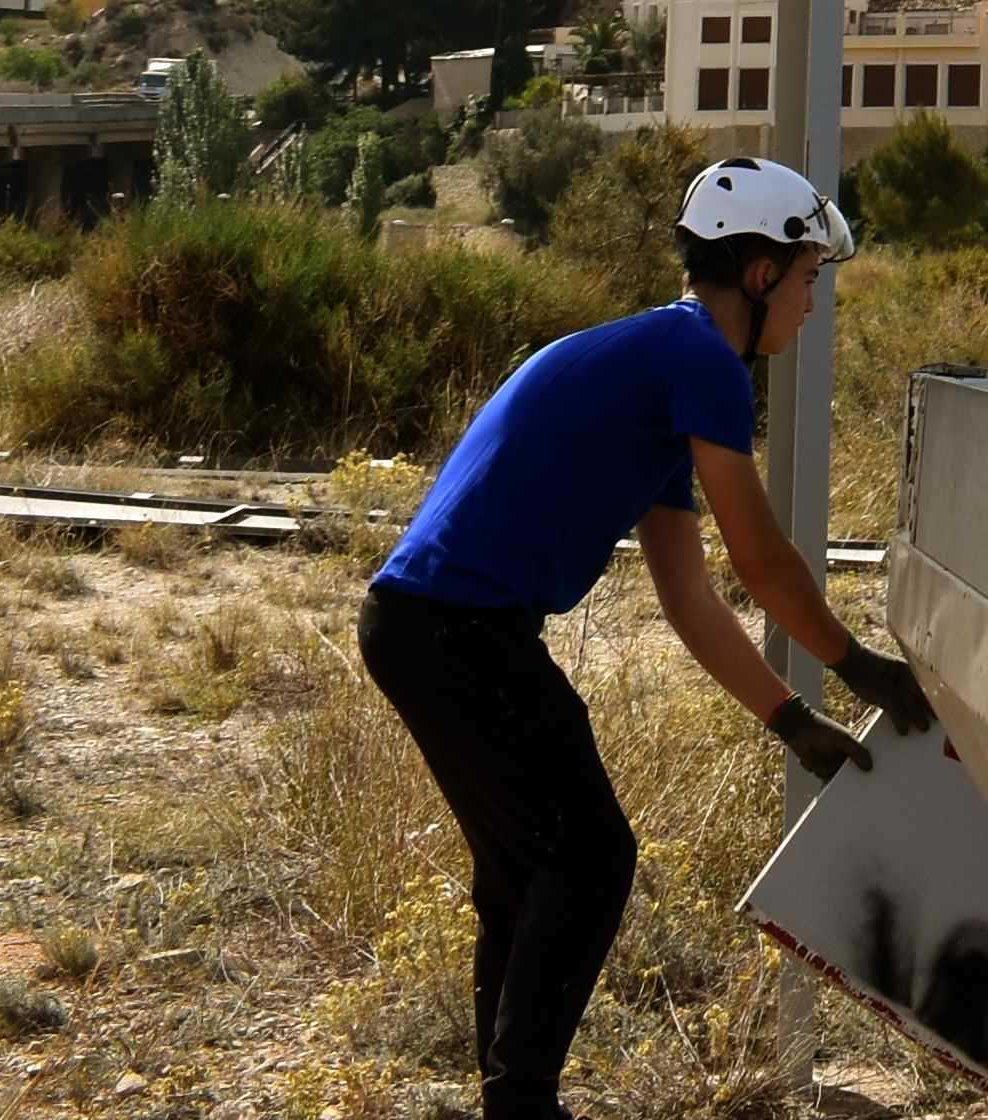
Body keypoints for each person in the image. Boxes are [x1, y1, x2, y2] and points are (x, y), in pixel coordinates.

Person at [359, 158, 934, 1120]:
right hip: (457, 632)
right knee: (588, 859)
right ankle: (523, 1100)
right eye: (808, 280)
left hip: (427, 628)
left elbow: (689, 592)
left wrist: (789, 719)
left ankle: (513, 1096)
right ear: (759, 274)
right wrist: (859, 665)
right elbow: (765, 561)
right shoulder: (701, 365)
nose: (809, 305)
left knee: (523, 875)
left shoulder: (661, 373)